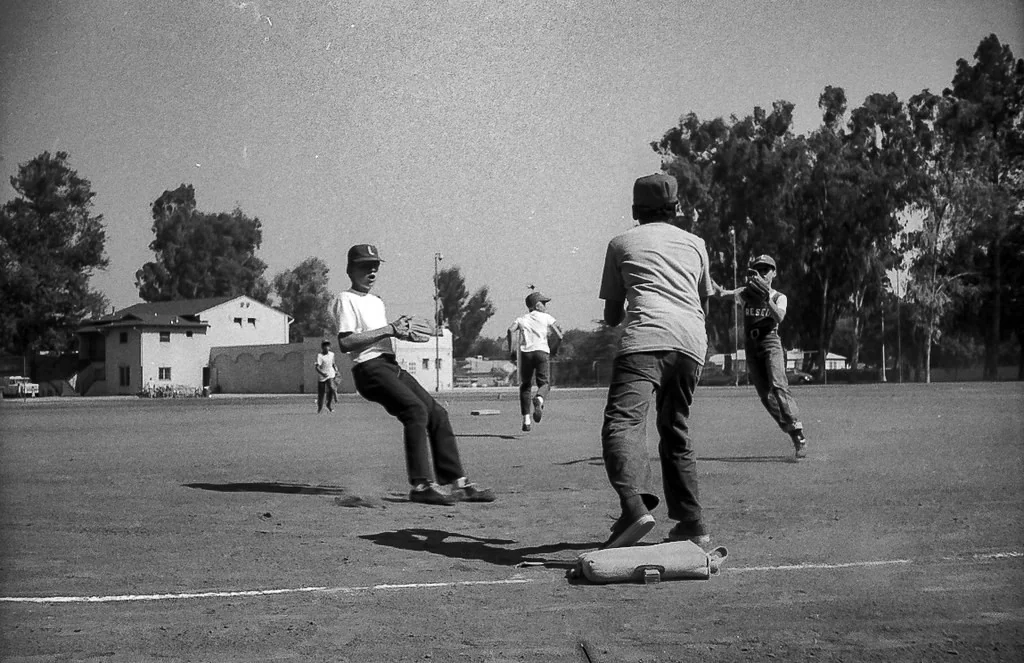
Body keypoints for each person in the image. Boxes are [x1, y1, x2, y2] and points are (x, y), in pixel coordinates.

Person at [597, 173, 712, 549]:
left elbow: (613, 315)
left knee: (623, 422)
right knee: (674, 429)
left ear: (634, 210)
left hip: (645, 338)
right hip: (692, 342)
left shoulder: (621, 243)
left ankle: (635, 506)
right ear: (677, 208)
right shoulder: (696, 244)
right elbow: (702, 300)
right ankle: (692, 523)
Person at [331, 243, 495, 506]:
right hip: (368, 369)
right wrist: (390, 329)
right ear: (350, 269)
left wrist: (403, 331)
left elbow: (386, 333)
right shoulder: (345, 299)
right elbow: (346, 342)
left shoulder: (376, 301)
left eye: (375, 266)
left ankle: (458, 484)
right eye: (364, 266)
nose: (371, 271)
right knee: (415, 410)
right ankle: (420, 486)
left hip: (390, 365)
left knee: (437, 412)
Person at [713, 254, 808, 459]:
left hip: (770, 342)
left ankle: (798, 432)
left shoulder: (778, 296)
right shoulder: (745, 294)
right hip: (751, 346)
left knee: (778, 385)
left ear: (773, 273)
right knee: (765, 395)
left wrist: (765, 298)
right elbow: (721, 294)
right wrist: (706, 279)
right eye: (758, 269)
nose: (762, 273)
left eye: (766, 269)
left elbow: (779, 317)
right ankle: (790, 430)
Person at [507, 291, 564, 432]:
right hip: (542, 352)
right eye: (544, 303)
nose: (545, 306)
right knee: (544, 384)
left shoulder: (522, 319)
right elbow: (559, 335)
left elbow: (510, 330)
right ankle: (539, 398)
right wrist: (555, 349)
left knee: (525, 386)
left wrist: (512, 350)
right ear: (537, 305)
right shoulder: (546, 317)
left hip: (526, 353)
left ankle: (526, 420)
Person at [315, 340, 338, 413]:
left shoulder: (332, 354)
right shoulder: (320, 356)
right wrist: (322, 373)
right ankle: (320, 408)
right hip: (322, 375)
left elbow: (333, 363)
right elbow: (317, 367)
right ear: (322, 347)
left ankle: (329, 405)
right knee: (321, 393)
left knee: (331, 388)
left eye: (327, 345)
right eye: (325, 345)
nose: (326, 347)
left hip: (330, 373)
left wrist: (336, 370)